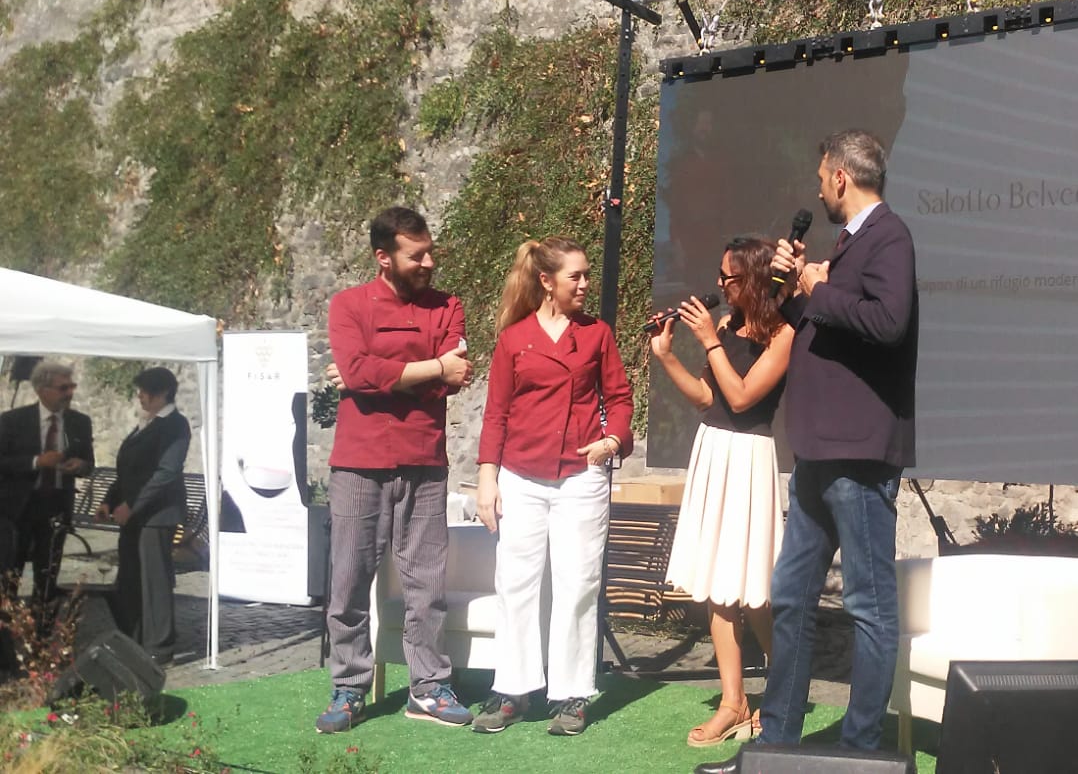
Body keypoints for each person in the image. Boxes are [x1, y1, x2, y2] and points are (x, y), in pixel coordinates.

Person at [696, 129, 918, 773]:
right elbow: (828, 328)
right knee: (790, 596)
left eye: (822, 177)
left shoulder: (889, 236)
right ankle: (777, 745)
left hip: (859, 454)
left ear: (842, 177)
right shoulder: (847, 246)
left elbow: (888, 322)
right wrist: (797, 290)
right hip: (819, 453)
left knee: (868, 606)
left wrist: (818, 288)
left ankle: (859, 753)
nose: (818, 189)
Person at [317, 206, 474, 733]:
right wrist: (431, 368)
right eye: (416, 255)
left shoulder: (448, 305)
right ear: (383, 258)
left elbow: (454, 377)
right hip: (358, 464)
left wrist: (377, 378)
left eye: (430, 252)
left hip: (425, 461)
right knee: (348, 581)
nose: (428, 262)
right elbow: (359, 370)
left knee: (427, 584)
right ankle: (349, 687)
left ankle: (428, 687)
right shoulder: (348, 305)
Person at [471, 238, 634, 737]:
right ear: (546, 281)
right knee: (515, 584)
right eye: (574, 276)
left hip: (581, 478)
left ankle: (572, 694)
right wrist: (487, 477)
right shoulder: (513, 339)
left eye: (586, 275)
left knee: (578, 585)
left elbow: (620, 398)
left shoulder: (597, 334)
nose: (585, 284)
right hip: (520, 477)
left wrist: (612, 440)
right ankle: (512, 691)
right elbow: (496, 414)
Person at [651, 236, 792, 748]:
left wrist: (710, 340)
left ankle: (783, 695)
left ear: (752, 279)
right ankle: (733, 703)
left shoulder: (783, 333)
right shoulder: (728, 326)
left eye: (727, 278)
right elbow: (709, 398)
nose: (719, 285)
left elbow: (744, 396)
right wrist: (667, 357)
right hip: (713, 450)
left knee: (753, 587)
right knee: (717, 584)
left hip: (749, 458)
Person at [99, 367, 188, 663]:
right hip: (135, 516)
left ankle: (159, 647)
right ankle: (132, 638)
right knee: (130, 578)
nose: (139, 396)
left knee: (154, 581)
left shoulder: (175, 425)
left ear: (163, 393)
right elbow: (128, 471)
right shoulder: (146, 425)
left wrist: (132, 505)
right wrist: (109, 501)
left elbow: (166, 473)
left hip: (157, 517)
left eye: (145, 391)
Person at [0, 360, 94, 602]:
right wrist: (36, 461)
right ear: (42, 390)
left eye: (72, 387)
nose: (70, 393)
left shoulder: (80, 422)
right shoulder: (13, 421)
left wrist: (80, 466)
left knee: (47, 574)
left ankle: (43, 621)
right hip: (19, 508)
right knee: (10, 573)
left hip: (56, 507)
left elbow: (89, 464)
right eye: (63, 388)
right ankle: (7, 622)